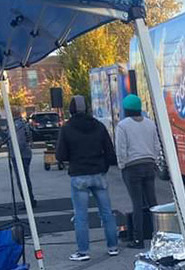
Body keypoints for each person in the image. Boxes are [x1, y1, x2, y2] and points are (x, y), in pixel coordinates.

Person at [55, 96, 119, 261]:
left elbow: (60, 155)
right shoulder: (98, 126)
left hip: (79, 175)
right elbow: (111, 153)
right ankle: (113, 247)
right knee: (107, 213)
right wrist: (102, 165)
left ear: (71, 109)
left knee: (81, 216)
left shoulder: (67, 128)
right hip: (98, 174)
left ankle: (83, 251)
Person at [115, 94, 160, 249]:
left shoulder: (123, 125)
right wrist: (154, 160)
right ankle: (159, 234)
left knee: (137, 203)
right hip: (149, 164)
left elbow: (121, 148)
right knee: (153, 203)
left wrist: (122, 165)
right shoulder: (150, 124)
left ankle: (138, 239)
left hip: (132, 167)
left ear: (126, 109)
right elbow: (156, 145)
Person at [2, 109, 37, 208]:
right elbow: (7, 138)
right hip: (21, 154)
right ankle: (29, 200)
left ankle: (29, 201)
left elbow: (20, 141)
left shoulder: (18, 125)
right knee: (23, 179)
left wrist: (17, 153)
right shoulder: (15, 124)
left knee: (22, 179)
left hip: (21, 155)